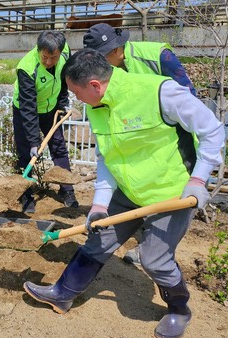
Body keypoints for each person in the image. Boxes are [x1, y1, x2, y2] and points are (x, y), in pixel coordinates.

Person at [24, 49, 224, 338]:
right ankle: (62, 294)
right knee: (98, 238)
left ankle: (179, 309)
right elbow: (107, 157)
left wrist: (198, 179)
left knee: (156, 260)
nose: (75, 99)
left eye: (75, 92)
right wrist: (99, 204)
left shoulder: (159, 92)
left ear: (94, 85)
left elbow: (213, 131)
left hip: (170, 194)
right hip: (128, 190)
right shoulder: (97, 106)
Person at [83, 23, 198, 265]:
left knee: (167, 196)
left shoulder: (158, 56)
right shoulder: (107, 73)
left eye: (101, 57)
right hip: (135, 140)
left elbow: (189, 98)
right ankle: (148, 247)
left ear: (116, 49)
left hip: (172, 138)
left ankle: (155, 252)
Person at [12, 30, 78, 213]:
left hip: (51, 109)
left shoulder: (65, 54)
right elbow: (28, 107)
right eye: (45, 57)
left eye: (53, 58)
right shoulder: (26, 68)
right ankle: (26, 195)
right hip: (25, 110)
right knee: (26, 153)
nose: (49, 62)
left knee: (58, 147)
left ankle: (68, 191)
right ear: (38, 50)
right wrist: (34, 141)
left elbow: (65, 79)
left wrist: (62, 103)